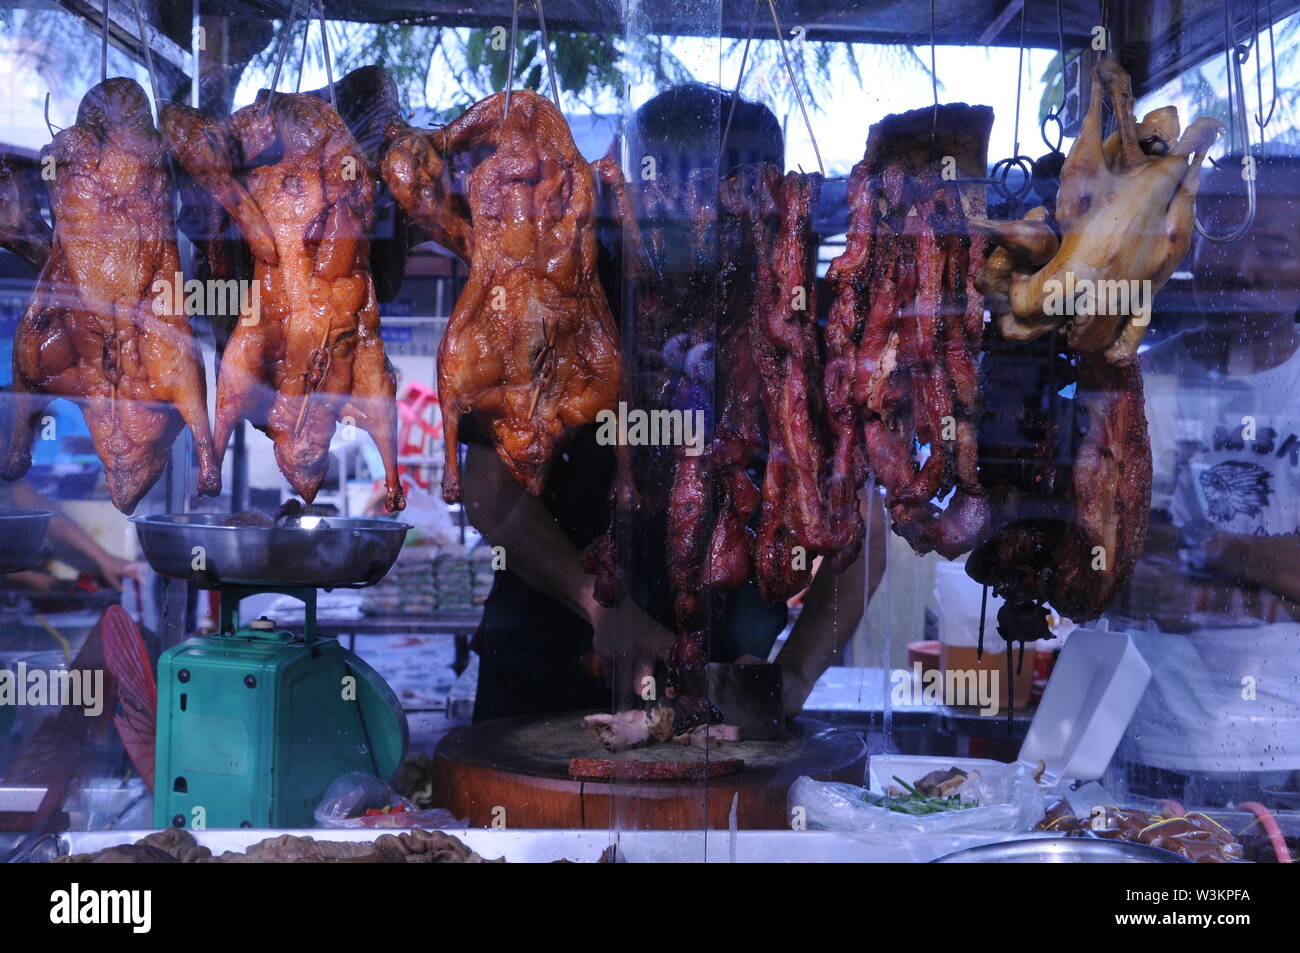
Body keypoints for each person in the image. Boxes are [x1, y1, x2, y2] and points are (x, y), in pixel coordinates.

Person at [463, 84, 886, 723]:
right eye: (662, 180)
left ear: (759, 196)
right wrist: (598, 603)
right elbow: (488, 490)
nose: (687, 208)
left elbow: (864, 537)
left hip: (722, 702)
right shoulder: (567, 298)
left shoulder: (800, 325)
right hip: (545, 679)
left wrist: (790, 679)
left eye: (712, 183)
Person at [1115, 153, 1300, 805]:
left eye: (1274, 246)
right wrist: (1266, 573)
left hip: (1289, 750)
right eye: (1221, 241)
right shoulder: (1136, 381)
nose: (1242, 270)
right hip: (1148, 746)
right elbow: (1114, 564)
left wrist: (1209, 547)